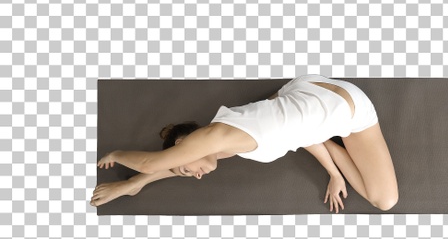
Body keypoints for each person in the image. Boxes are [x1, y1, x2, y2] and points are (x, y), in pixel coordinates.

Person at [92, 74, 399, 213]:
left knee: (384, 201)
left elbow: (153, 163)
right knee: (289, 128)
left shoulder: (215, 137)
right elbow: (171, 167)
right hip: (303, 92)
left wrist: (117, 154)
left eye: (188, 170)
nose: (196, 175)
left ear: (184, 142)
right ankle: (321, 139)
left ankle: (324, 139)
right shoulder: (223, 142)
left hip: (348, 109)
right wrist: (132, 184)